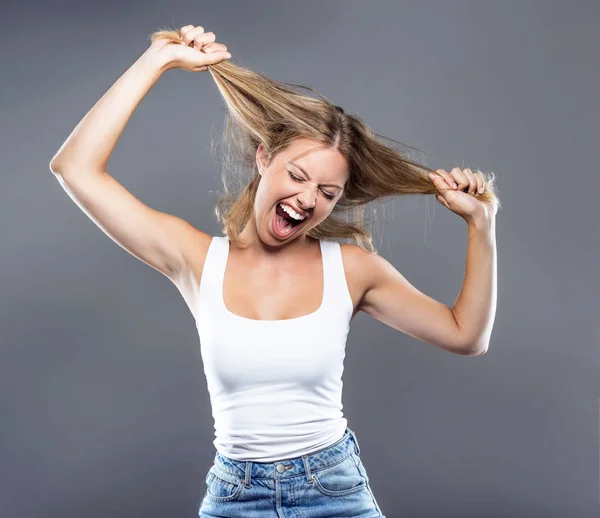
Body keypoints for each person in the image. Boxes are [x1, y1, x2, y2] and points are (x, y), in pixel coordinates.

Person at [49, 23, 499, 518]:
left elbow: (466, 336)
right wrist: (157, 60)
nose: (308, 199)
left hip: (335, 492)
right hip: (236, 497)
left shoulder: (352, 271)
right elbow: (75, 168)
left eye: (328, 194)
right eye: (298, 176)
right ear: (264, 157)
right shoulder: (197, 259)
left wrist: (482, 224)